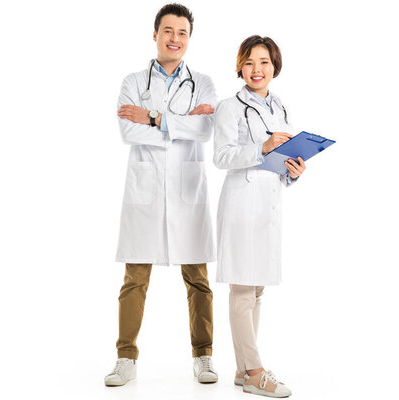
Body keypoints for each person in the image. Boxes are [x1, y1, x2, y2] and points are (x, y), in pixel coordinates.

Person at [104, 3, 218, 386]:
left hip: (188, 191)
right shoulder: (133, 81)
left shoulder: (203, 82)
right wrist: (182, 125)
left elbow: (205, 131)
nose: (175, 39)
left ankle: (203, 356)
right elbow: (127, 132)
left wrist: (154, 118)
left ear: (189, 39)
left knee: (198, 279)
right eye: (168, 31)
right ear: (155, 35)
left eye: (182, 32)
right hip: (146, 190)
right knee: (134, 278)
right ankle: (125, 358)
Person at [213, 35, 306, 398]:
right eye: (250, 62)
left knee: (256, 289)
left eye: (264, 62)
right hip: (240, 205)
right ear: (240, 66)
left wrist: (292, 170)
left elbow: (279, 161)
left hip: (267, 204)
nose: (257, 69)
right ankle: (254, 372)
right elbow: (221, 157)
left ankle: (241, 369)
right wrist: (262, 147)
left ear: (274, 66)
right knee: (242, 286)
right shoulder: (229, 107)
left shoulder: (279, 107)